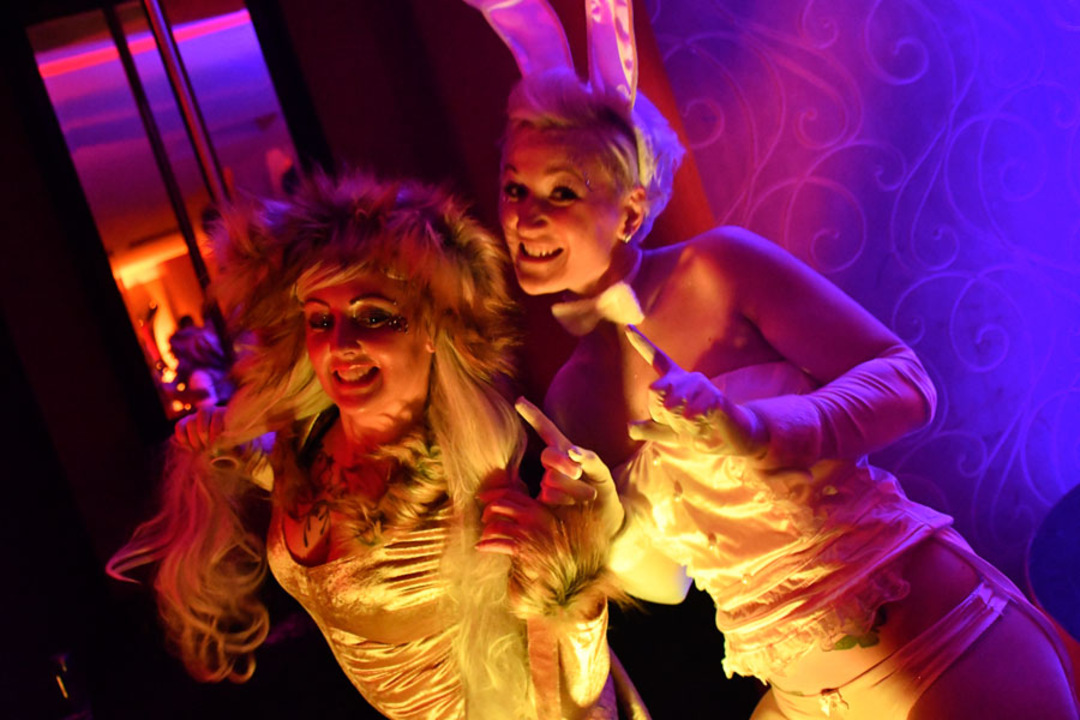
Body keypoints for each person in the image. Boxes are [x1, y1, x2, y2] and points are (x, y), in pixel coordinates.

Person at [462, 1, 1080, 716]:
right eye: (515, 187)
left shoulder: (716, 269)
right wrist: (604, 524)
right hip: (801, 693)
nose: (526, 215)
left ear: (629, 211)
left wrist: (759, 431)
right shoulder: (572, 396)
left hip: (936, 645)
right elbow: (670, 583)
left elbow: (907, 383)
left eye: (562, 191)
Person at [107, 170, 643, 720]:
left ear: (433, 328)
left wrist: (566, 578)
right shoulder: (306, 441)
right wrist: (236, 443)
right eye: (321, 319)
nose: (340, 344)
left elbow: (567, 678)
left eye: (373, 316)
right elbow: (318, 506)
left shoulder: (467, 473)